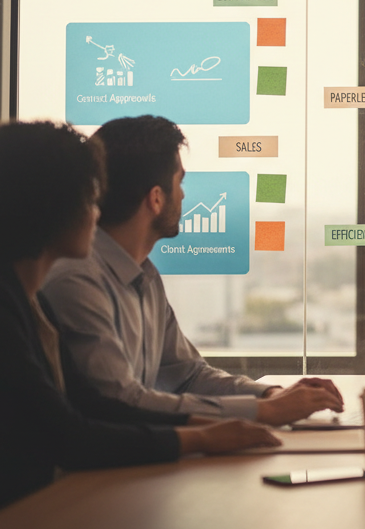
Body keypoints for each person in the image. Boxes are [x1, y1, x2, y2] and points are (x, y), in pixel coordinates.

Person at [0, 121, 280, 529]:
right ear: (50, 208)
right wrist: (204, 437)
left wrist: (218, 425)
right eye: (89, 197)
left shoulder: (19, 301)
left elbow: (94, 406)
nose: (97, 211)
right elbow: (70, 434)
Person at [42, 115, 343, 424]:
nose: (183, 195)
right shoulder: (77, 282)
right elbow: (121, 402)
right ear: (156, 199)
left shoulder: (144, 277)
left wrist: (270, 394)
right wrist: (264, 411)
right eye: (180, 182)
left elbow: (188, 375)